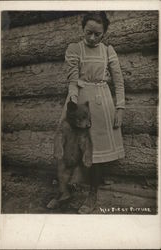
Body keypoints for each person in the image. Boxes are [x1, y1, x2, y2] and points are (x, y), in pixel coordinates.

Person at [57, 11, 125, 214]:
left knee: (95, 151)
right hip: (79, 102)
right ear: (83, 29)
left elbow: (119, 81)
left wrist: (120, 107)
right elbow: (72, 81)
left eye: (98, 34)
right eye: (89, 33)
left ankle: (92, 195)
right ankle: (64, 191)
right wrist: (73, 102)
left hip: (102, 103)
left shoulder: (108, 51)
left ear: (104, 33)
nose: (93, 38)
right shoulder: (74, 48)